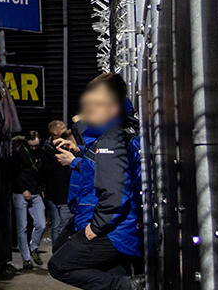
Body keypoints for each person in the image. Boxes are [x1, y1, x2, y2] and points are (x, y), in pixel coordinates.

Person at [47, 73, 142, 290]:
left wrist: (96, 227)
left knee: (59, 266)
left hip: (113, 227)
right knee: (104, 271)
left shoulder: (112, 138)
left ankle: (133, 286)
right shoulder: (118, 131)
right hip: (114, 223)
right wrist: (80, 150)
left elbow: (114, 192)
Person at [13, 129, 47, 269]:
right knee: (22, 226)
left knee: (41, 224)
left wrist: (42, 188)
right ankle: (26, 258)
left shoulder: (40, 152)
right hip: (21, 192)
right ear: (26, 141)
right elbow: (14, 174)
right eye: (31, 145)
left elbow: (41, 172)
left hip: (35, 191)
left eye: (36, 145)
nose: (33, 148)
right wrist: (23, 189)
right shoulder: (18, 153)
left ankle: (33, 248)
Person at [42, 118, 76, 247]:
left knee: (61, 225)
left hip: (62, 193)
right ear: (54, 132)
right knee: (60, 226)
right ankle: (58, 250)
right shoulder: (50, 150)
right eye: (62, 127)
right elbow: (45, 171)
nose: (65, 128)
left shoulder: (63, 149)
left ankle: (58, 250)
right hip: (59, 194)